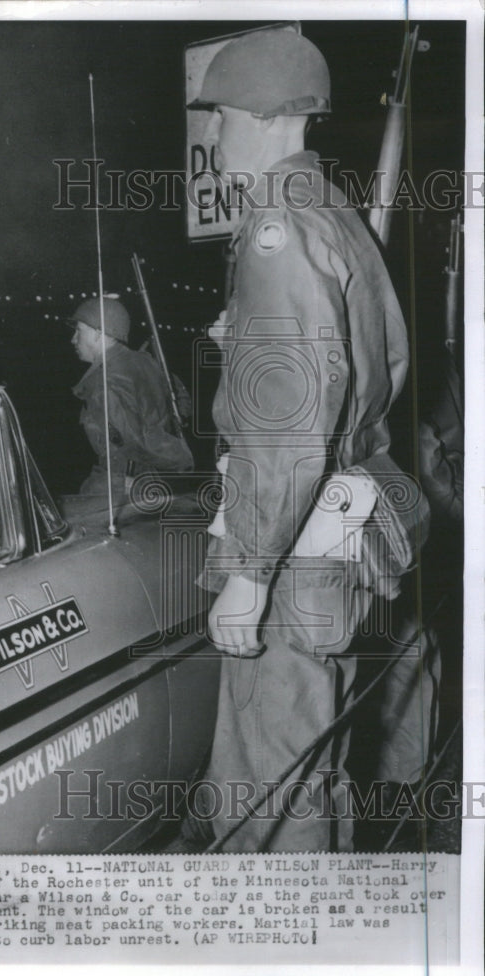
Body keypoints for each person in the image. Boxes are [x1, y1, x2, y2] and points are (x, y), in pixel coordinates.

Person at [187, 25, 425, 851]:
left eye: (219, 115)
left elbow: (286, 432)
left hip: (292, 547)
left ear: (259, 115)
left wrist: (249, 571)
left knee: (268, 787)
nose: (211, 134)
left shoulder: (275, 231)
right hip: (348, 527)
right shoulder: (339, 216)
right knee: (315, 764)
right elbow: (383, 370)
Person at [69, 295, 193, 501]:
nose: (73, 339)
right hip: (159, 479)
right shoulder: (147, 362)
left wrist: (179, 459)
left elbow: (131, 443)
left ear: (98, 334)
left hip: (128, 485)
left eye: (79, 331)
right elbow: (182, 401)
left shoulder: (103, 380)